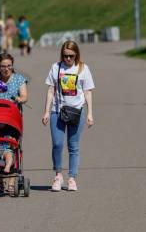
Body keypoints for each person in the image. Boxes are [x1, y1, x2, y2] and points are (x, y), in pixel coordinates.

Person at [42, 40, 95, 192]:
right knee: (57, 144)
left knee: (73, 146)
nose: (68, 59)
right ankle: (58, 175)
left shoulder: (83, 69)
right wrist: (46, 111)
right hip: (57, 111)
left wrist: (90, 113)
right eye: (65, 56)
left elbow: (87, 92)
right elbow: (51, 90)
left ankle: (72, 178)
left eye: (71, 56)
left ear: (76, 54)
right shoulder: (56, 67)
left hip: (76, 112)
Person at [0, 53, 28, 192]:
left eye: (9, 66)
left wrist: (20, 99)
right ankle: (1, 181)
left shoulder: (19, 79)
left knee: (11, 146)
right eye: (3, 66)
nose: (6, 69)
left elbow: (25, 96)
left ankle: (12, 181)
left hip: (12, 119)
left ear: (12, 65)